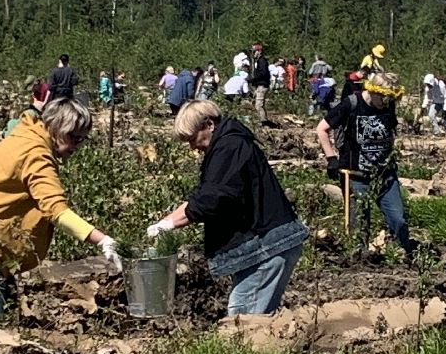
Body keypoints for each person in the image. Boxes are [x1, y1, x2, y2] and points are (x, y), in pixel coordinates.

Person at [0, 98, 121, 322]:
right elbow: (56, 210)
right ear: (56, 126)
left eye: (82, 139)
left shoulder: (25, 137)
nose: (76, 145)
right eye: (72, 136)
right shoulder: (36, 153)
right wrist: (102, 240)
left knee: (7, 318)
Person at [147, 100, 308, 316]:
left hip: (266, 247)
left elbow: (212, 199)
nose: (193, 147)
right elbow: (203, 195)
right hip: (264, 245)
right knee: (249, 311)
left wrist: (170, 224)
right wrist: (165, 222)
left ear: (209, 124)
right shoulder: (227, 146)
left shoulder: (230, 148)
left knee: (243, 317)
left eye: (193, 139)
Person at [315, 71, 416, 260]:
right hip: (354, 175)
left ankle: (404, 256)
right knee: (358, 223)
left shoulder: (388, 103)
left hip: (384, 174)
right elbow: (322, 128)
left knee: (398, 219)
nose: (386, 103)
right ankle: (359, 260)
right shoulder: (351, 104)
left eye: (390, 99)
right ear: (374, 91)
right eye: (384, 98)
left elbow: (391, 131)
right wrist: (331, 158)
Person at [250, 43, 272, 125]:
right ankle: (262, 120)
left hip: (262, 85)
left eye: (254, 51)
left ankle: (264, 122)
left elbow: (263, 73)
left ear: (259, 51)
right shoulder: (259, 61)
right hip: (260, 85)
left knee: (259, 105)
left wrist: (253, 78)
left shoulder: (262, 61)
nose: (253, 54)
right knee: (257, 104)